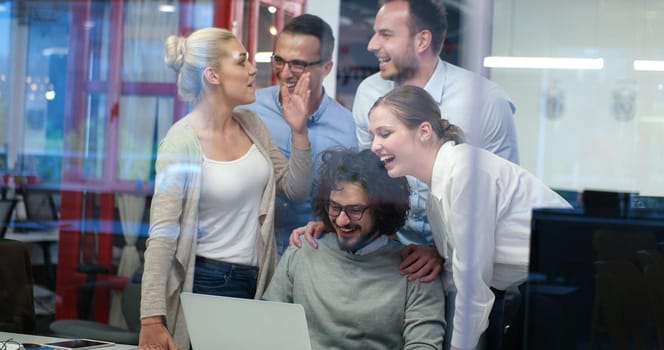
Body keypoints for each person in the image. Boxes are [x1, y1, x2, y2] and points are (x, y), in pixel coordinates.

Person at [292, 0, 519, 283]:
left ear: (422, 39)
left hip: (466, 272)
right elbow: (368, 179)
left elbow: (499, 202)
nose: (373, 44)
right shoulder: (369, 92)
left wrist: (442, 250)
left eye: (386, 34)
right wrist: (338, 223)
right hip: (393, 262)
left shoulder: (485, 101)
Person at [138, 27, 313, 350]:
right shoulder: (180, 143)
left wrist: (299, 132)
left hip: (258, 279)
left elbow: (296, 189)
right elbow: (162, 235)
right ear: (213, 75)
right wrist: (151, 319)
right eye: (241, 61)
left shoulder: (251, 125)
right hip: (206, 281)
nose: (252, 69)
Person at [368, 85, 571, 350]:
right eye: (373, 135)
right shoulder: (440, 187)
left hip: (576, 281)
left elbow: (473, 287)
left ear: (424, 132)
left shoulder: (465, 174)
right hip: (543, 286)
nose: (374, 146)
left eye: (385, 133)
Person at [263, 148, 446, 350]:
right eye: (335, 207)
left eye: (355, 210)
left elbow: (424, 345)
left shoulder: (416, 270)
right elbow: (267, 327)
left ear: (382, 210)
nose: (342, 220)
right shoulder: (301, 251)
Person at [242, 14, 357, 255]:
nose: (285, 73)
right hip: (250, 259)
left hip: (312, 259)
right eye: (279, 60)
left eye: (298, 64)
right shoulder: (250, 110)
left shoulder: (348, 129)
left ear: (327, 67)